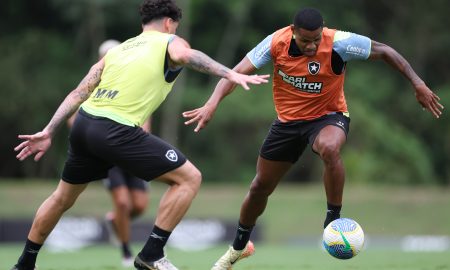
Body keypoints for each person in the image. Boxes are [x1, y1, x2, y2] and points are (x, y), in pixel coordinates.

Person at [11, 0, 269, 269]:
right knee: (189, 178)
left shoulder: (118, 50)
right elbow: (188, 56)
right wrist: (230, 74)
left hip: (84, 126)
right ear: (169, 23)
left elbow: (78, 93)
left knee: (61, 198)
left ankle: (25, 263)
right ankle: (152, 253)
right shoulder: (170, 41)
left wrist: (48, 130)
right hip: (115, 129)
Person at [182, 7, 444, 270]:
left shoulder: (339, 43)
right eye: (305, 40)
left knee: (329, 148)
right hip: (287, 123)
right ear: (293, 32)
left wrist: (417, 83)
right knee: (259, 187)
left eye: (316, 39)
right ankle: (238, 248)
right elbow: (236, 71)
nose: (311, 45)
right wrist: (212, 103)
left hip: (329, 117)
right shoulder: (276, 42)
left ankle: (332, 219)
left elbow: (385, 51)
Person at [67, 39, 152, 267]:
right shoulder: (93, 84)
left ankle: (115, 221)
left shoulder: (132, 80)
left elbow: (146, 118)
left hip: (131, 151)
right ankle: (126, 252)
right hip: (107, 155)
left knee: (140, 205)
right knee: (123, 203)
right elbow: (73, 118)